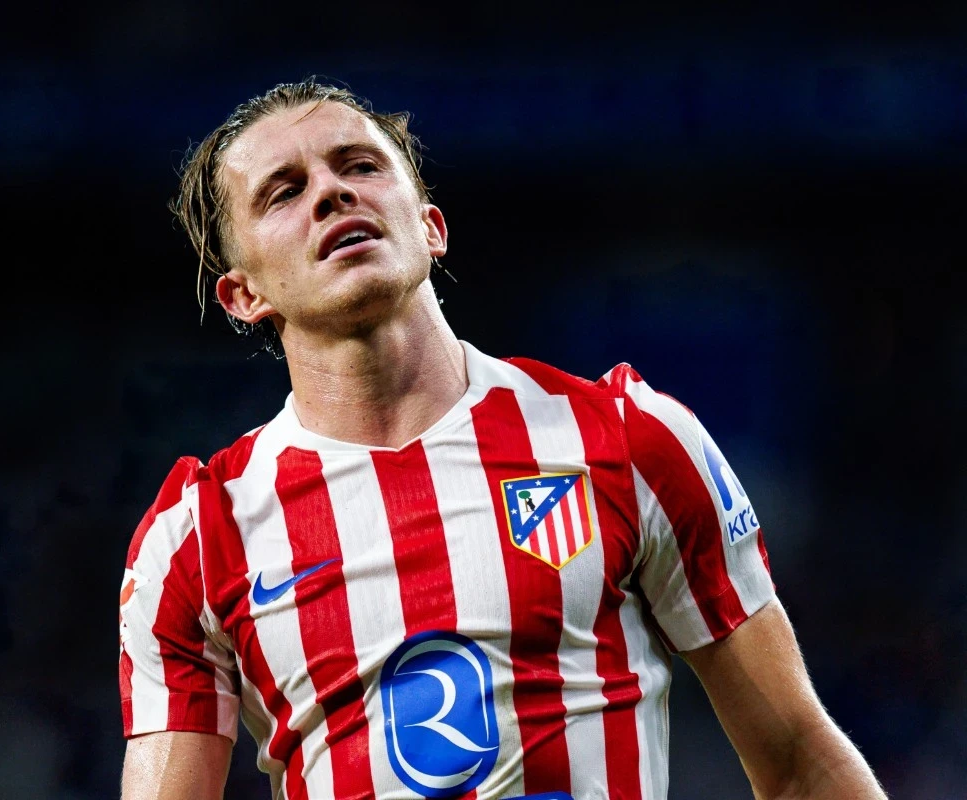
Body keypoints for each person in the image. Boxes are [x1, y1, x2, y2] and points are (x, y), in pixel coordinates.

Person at [118, 78, 886, 800]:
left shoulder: (626, 438)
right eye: (285, 192)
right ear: (243, 294)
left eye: (359, 166)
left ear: (431, 226)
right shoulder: (197, 538)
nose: (331, 192)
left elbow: (797, 761)